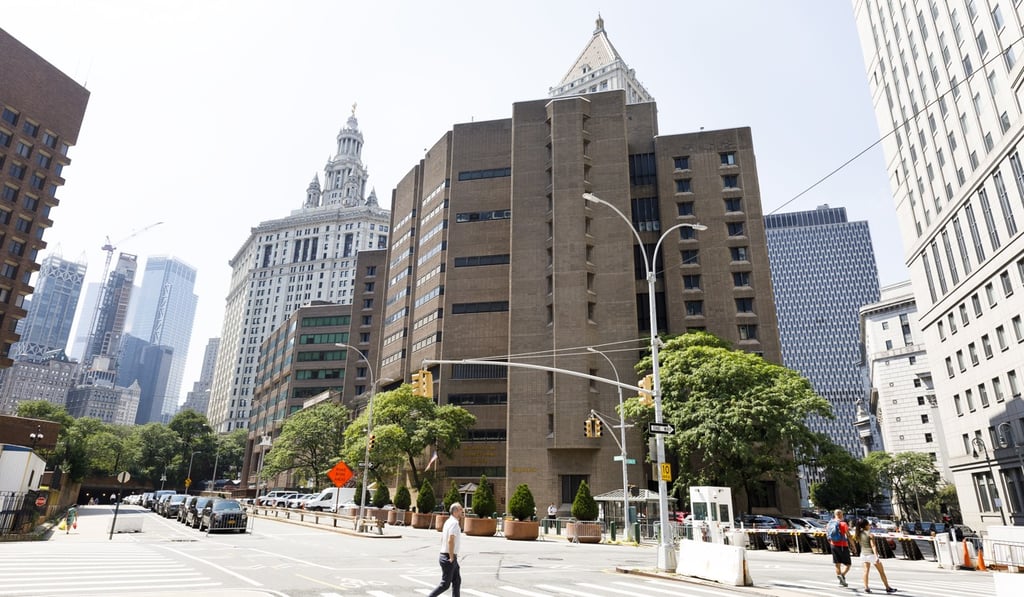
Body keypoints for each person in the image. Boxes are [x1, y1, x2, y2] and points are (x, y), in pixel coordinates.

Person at [428, 502, 465, 596]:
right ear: (455, 511)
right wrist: (452, 557)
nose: (462, 511)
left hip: (447, 556)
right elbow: (450, 540)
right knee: (445, 584)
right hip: (449, 557)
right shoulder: (454, 523)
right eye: (461, 509)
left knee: (457, 581)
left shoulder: (449, 521)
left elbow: (443, 538)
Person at [854, 517, 897, 593]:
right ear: (866, 525)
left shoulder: (858, 534)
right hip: (871, 555)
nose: (870, 525)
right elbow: (873, 546)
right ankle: (887, 587)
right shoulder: (870, 535)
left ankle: (866, 587)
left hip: (863, 555)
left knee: (865, 572)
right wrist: (876, 556)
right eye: (869, 524)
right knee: (881, 572)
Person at [828, 509, 852, 587]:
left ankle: (841, 580)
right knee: (848, 564)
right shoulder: (843, 524)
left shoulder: (829, 524)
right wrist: (853, 546)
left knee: (837, 565)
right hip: (843, 545)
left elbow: (828, 536)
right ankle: (842, 575)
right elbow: (849, 536)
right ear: (841, 515)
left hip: (833, 545)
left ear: (834, 515)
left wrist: (832, 544)